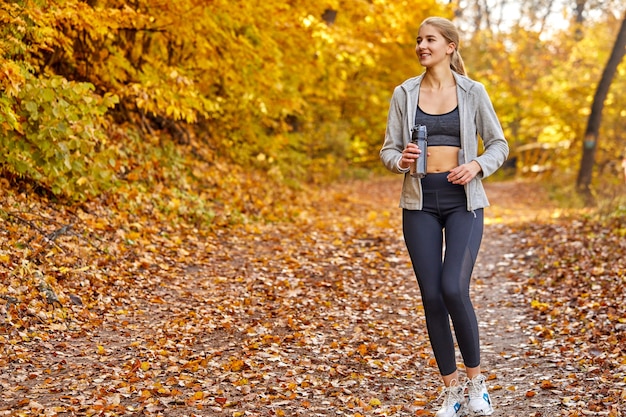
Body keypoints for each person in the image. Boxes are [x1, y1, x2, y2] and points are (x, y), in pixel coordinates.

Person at [380, 16, 509, 417]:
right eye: (418, 40)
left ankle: (477, 384)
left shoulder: (473, 91)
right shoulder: (404, 93)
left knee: (454, 287)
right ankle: (451, 391)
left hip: (463, 203)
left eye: (430, 39)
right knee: (432, 297)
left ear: (449, 46)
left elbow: (499, 144)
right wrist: (400, 160)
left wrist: (476, 166)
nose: (422, 45)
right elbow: (387, 150)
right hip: (419, 203)